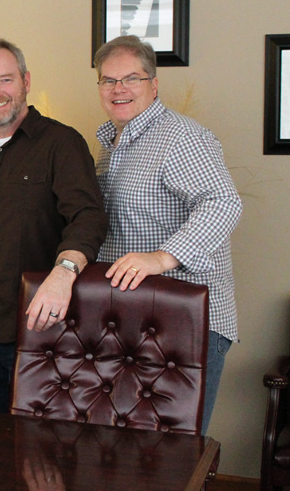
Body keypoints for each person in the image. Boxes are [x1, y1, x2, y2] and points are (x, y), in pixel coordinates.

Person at [0, 38, 107, 412]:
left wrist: (64, 272)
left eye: (6, 80)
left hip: (41, 334)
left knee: (41, 445)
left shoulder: (61, 144)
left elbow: (88, 217)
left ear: (26, 81)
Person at [93, 35, 241, 434]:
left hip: (187, 320)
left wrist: (161, 258)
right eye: (108, 80)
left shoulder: (180, 137)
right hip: (133, 318)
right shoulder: (111, 144)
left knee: (174, 452)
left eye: (131, 78)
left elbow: (224, 203)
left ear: (154, 84)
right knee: (127, 448)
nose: (119, 89)